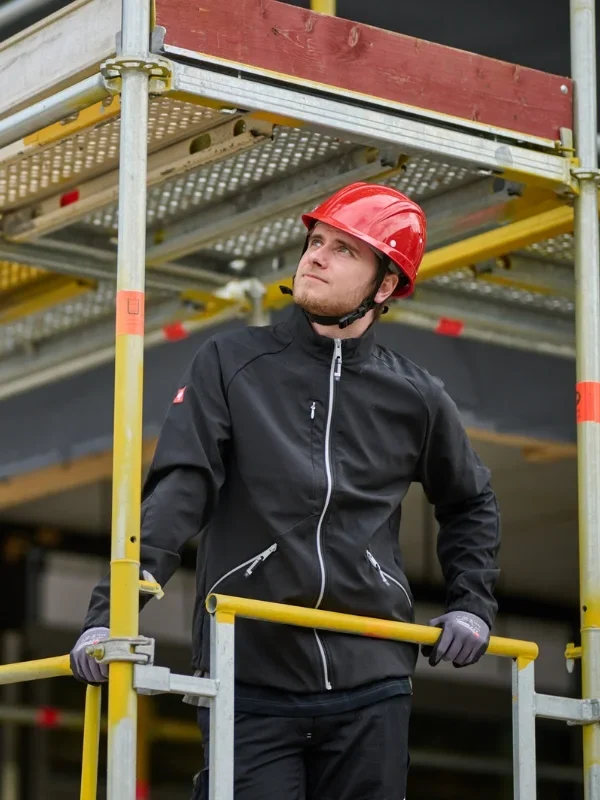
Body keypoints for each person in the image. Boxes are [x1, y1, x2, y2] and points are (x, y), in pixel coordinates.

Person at [70, 182, 500, 799]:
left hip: (373, 678)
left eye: (344, 250)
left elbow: (470, 502)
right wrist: (108, 615)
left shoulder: (418, 396)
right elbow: (178, 492)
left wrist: (472, 603)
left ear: (384, 286)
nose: (315, 257)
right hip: (248, 674)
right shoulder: (231, 363)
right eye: (316, 241)